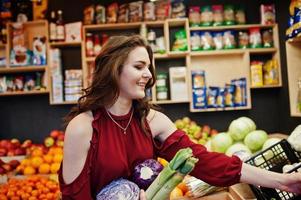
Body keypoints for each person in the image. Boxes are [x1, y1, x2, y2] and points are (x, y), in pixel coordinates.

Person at [59, 35, 301, 199]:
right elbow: (74, 196)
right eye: (139, 66)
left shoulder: (152, 121)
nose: (148, 75)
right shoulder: (83, 127)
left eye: (149, 68)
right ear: (114, 68)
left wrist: (282, 181)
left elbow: (207, 163)